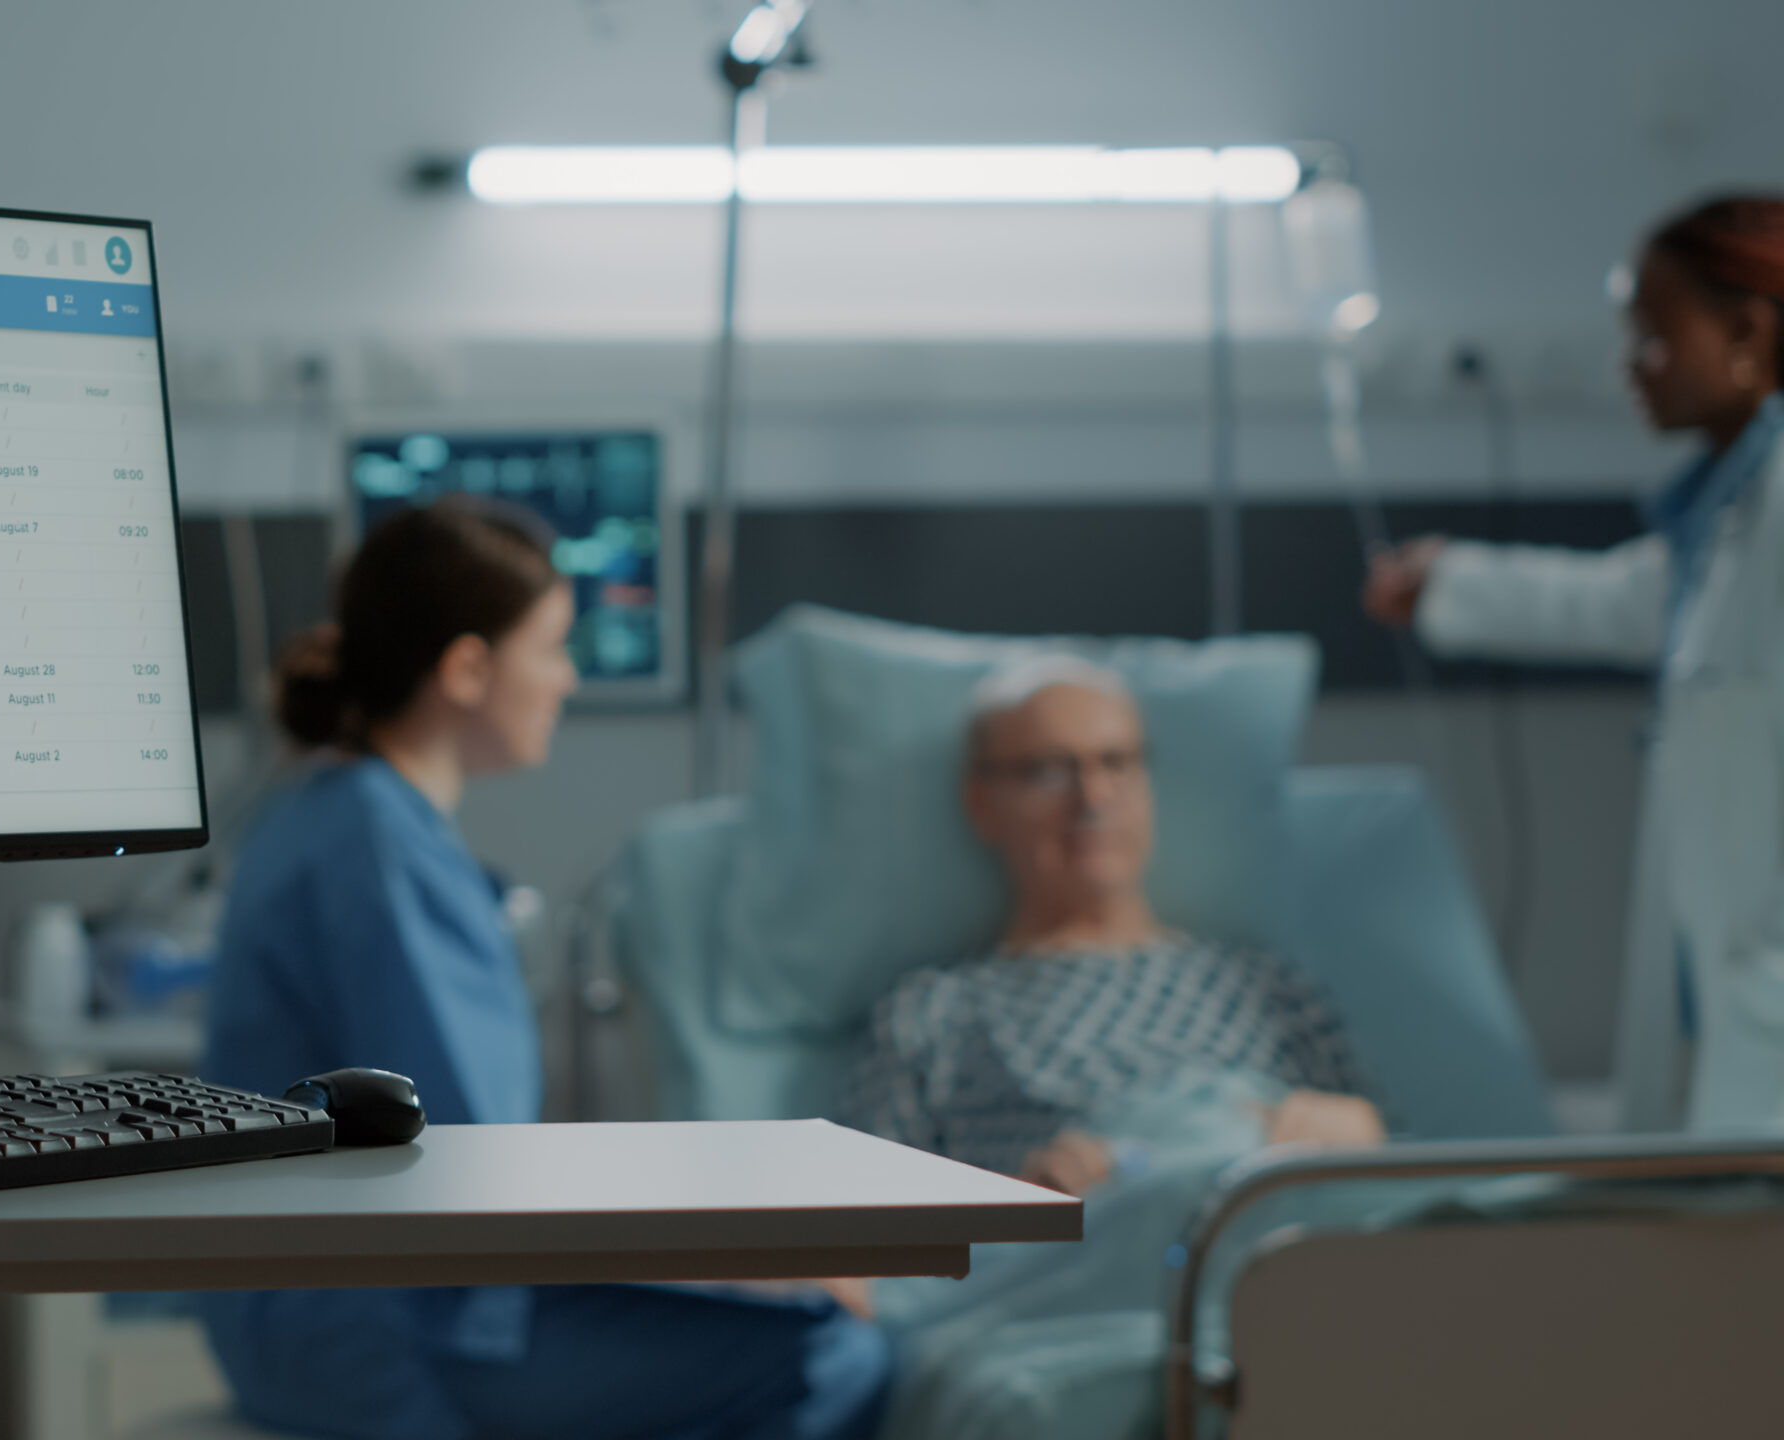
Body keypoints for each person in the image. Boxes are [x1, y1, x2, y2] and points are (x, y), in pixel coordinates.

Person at [198, 497, 889, 1440]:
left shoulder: (344, 817)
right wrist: (743, 1262)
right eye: (554, 646)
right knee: (832, 1353)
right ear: (469, 668)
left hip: (334, 1306)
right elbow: (473, 1164)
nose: (567, 680)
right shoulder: (376, 844)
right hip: (381, 1329)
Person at [1363, 194, 1784, 1131]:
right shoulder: (1731, 513)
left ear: (1749, 334)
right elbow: (1637, 600)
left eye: (1652, 340)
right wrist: (1451, 583)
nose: (1629, 369)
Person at [842, 657, 1382, 1195]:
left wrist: (1360, 1131)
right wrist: (1016, 1204)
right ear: (982, 804)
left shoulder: (1268, 988)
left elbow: (1407, 1189)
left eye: (1117, 763)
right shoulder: (934, 1014)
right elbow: (866, 1238)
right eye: (1048, 771)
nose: (1093, 799)